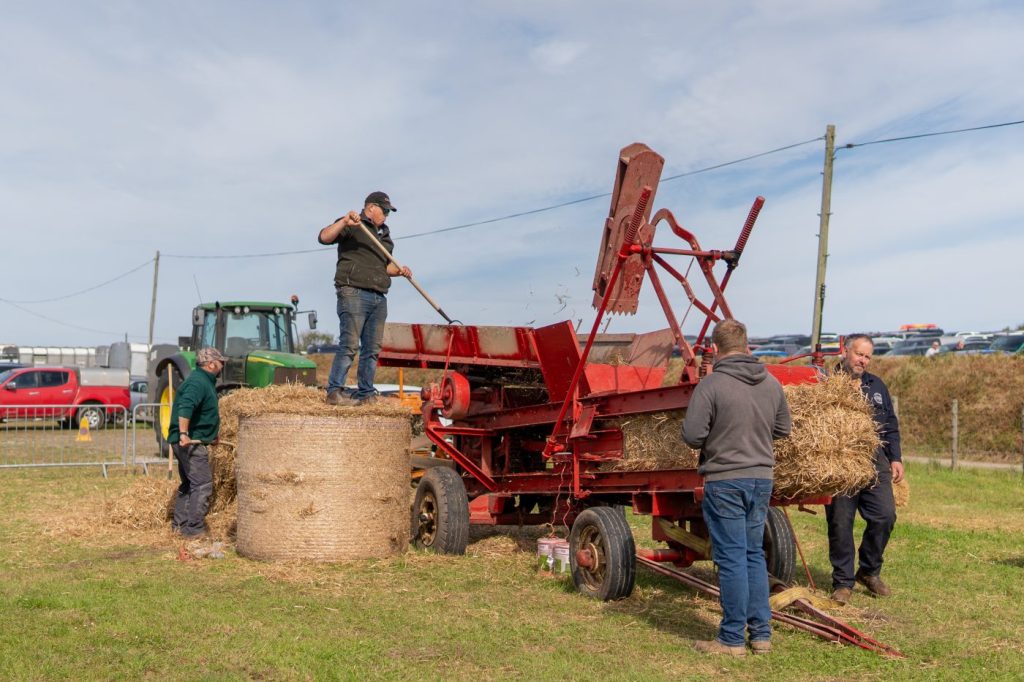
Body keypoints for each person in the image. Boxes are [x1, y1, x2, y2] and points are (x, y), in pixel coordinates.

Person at [682, 319, 792, 657]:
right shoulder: (771, 383)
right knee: (752, 555)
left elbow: (692, 435)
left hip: (725, 479)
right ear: (747, 347)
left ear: (715, 349)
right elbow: (783, 428)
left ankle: (730, 640)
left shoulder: (712, 385)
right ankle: (761, 635)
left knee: (730, 558)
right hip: (761, 478)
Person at [826, 334, 904, 604]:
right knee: (840, 522)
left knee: (885, 515)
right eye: (859, 354)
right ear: (845, 352)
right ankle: (843, 582)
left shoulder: (877, 385)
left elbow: (890, 426)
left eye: (868, 356)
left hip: (874, 461)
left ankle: (869, 571)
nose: (863, 360)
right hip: (840, 461)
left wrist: (895, 458)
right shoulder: (825, 383)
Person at [318, 191, 411, 406]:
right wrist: (344, 221)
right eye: (385, 210)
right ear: (371, 208)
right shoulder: (353, 224)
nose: (387, 215)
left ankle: (366, 393)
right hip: (353, 292)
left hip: (379, 296)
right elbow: (324, 237)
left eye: (389, 212)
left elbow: (383, 267)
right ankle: (334, 391)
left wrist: (398, 271)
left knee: (372, 349)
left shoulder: (385, 237)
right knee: (350, 344)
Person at [168, 347, 226, 537]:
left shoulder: (203, 381)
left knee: (189, 484)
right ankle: (194, 531)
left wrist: (211, 436)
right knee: (202, 485)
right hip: (189, 443)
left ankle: (180, 526)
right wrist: (184, 433)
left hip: (191, 440)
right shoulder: (198, 382)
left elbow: (201, 414)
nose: (222, 365)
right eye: (220, 362)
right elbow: (186, 407)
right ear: (211, 364)